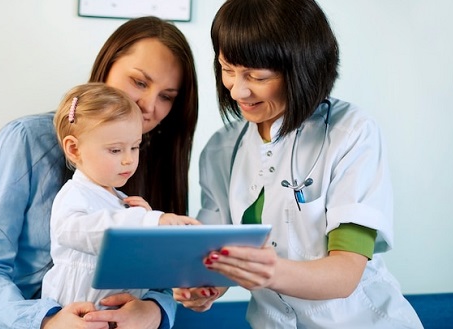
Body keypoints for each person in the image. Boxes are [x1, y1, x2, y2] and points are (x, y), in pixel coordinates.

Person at [174, 0, 423, 328]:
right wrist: (206, 286)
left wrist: (268, 270)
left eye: (256, 75)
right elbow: (219, 253)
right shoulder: (222, 148)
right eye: (228, 69)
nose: (238, 89)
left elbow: (345, 274)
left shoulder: (350, 133)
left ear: (303, 67)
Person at [0, 16, 198, 329]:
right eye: (139, 82)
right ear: (106, 67)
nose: (148, 106)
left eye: (167, 96)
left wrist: (154, 311)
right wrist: (46, 323)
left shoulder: (151, 157)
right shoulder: (26, 139)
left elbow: (159, 277)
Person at [42, 83, 199, 312]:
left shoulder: (123, 201)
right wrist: (146, 221)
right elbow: (76, 231)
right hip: (81, 313)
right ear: (74, 150)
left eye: (135, 147)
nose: (128, 160)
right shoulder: (74, 194)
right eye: (115, 150)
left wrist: (152, 224)